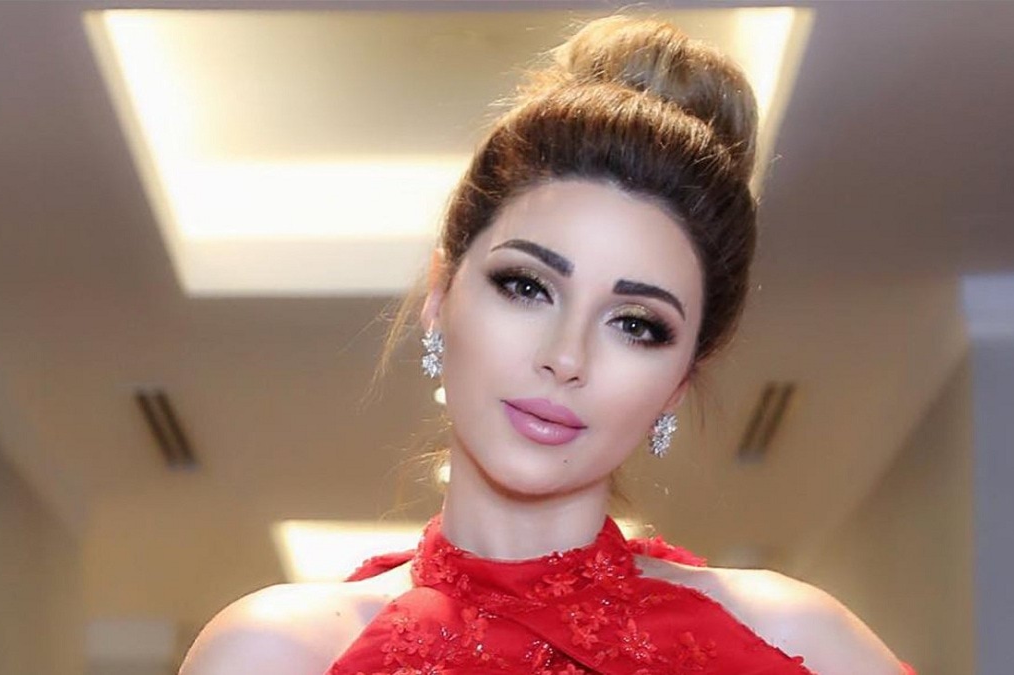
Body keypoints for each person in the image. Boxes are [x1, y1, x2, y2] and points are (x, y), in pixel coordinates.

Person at [181, 15, 913, 675]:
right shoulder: (276, 653)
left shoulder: (798, 643)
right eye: (527, 286)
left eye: (636, 324)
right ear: (440, 292)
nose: (567, 357)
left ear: (681, 380)